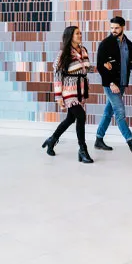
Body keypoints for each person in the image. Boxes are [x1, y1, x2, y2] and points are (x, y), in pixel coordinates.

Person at [42, 26, 94, 163]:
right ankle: (83, 150)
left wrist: (101, 67)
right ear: (70, 36)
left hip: (81, 90)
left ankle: (52, 140)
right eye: (77, 33)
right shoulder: (63, 53)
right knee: (81, 116)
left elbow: (86, 68)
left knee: (71, 119)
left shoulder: (83, 50)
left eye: (80, 33)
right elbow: (57, 75)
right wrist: (58, 97)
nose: (80, 35)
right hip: (69, 91)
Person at [94, 16, 132, 153]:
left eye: (116, 28)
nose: (114, 30)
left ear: (123, 27)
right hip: (111, 85)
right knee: (119, 112)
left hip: (122, 83)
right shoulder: (105, 44)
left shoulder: (128, 44)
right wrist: (111, 83)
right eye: (112, 28)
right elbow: (100, 66)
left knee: (108, 112)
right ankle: (131, 142)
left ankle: (99, 139)